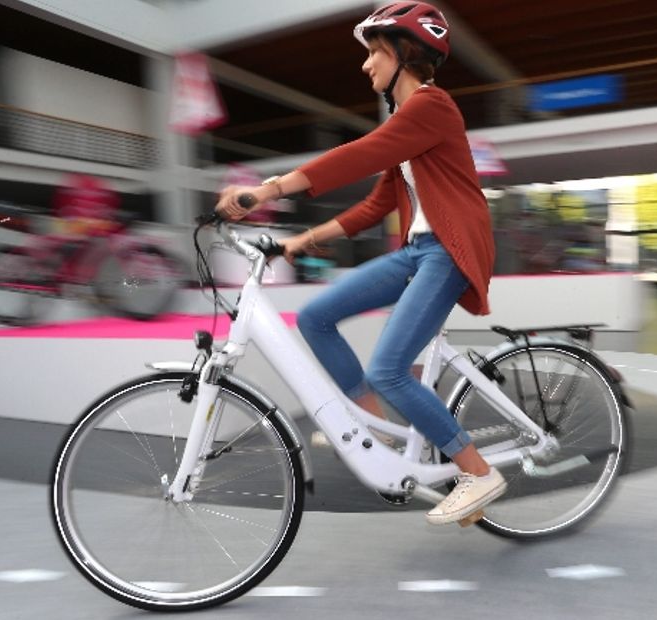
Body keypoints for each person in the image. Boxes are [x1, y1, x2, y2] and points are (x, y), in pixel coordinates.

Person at [215, 2, 506, 525]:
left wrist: (271, 189)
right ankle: (372, 434)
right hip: (419, 251)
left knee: (389, 369)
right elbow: (375, 205)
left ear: (406, 54)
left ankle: (478, 471)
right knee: (315, 317)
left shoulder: (432, 107)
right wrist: (300, 241)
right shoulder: (406, 127)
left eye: (375, 52)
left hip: (449, 251)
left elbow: (361, 153)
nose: (365, 64)